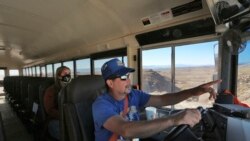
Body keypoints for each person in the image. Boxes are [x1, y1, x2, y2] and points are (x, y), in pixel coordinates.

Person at [92, 58, 222, 141]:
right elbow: (126, 129)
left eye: (128, 76)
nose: (129, 81)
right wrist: (174, 119)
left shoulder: (134, 95)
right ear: (110, 83)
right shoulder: (101, 105)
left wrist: (193, 91)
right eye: (123, 77)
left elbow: (163, 100)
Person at [44, 66, 71, 140]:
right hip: (55, 120)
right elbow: (50, 110)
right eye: (65, 73)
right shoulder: (51, 90)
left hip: (69, 117)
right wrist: (64, 116)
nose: (68, 75)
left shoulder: (71, 88)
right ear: (59, 76)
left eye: (69, 73)